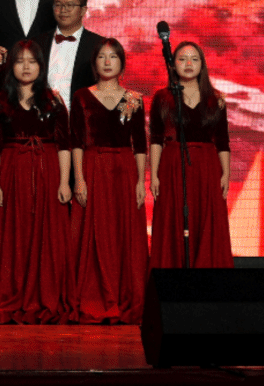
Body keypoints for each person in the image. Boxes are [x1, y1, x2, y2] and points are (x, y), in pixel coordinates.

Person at [0, 40, 74, 323]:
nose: (26, 67)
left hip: (47, 170)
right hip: (12, 171)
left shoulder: (53, 101)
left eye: (32, 61)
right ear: (11, 66)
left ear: (41, 66)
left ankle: (44, 295)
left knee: (48, 236)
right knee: (15, 235)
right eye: (20, 61)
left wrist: (64, 182)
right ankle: (14, 294)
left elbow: (64, 144)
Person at [71, 38, 149, 323]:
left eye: (113, 57)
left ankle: (124, 295)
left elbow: (139, 145)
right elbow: (76, 141)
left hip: (124, 171)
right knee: (93, 233)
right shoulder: (82, 97)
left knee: (123, 233)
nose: (107, 62)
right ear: (94, 64)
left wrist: (140, 181)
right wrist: (79, 179)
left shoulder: (134, 99)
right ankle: (93, 297)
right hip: (93, 168)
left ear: (122, 64)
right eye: (102, 57)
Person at [149, 41, 234, 269]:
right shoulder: (162, 98)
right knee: (174, 220)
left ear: (202, 65)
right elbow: (156, 139)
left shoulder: (215, 99)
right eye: (182, 59)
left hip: (207, 167)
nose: (188, 64)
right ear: (173, 64)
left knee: (206, 220)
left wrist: (225, 174)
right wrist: (154, 175)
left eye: (194, 59)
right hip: (173, 166)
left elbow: (222, 141)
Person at [45, 0, 107, 100]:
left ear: (83, 10)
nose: (63, 10)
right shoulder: (38, 43)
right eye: (58, 5)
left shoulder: (100, 45)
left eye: (70, 5)